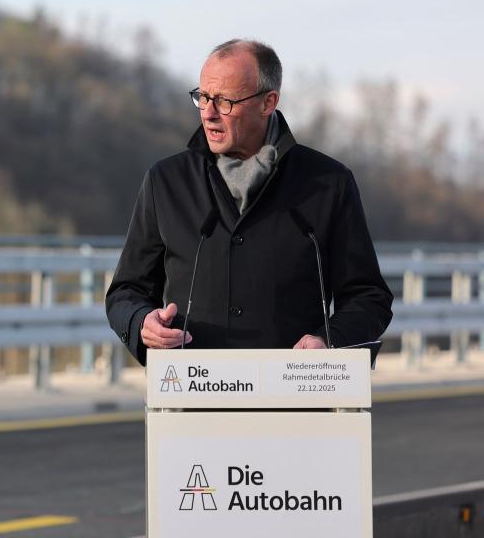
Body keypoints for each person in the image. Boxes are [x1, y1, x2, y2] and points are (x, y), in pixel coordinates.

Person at [105, 39, 392, 365]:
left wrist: (329, 340)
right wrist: (142, 322)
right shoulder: (165, 181)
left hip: (296, 400)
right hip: (192, 399)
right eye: (203, 98)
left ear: (268, 102)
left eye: (225, 101)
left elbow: (368, 297)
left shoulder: (329, 184)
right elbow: (126, 292)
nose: (209, 113)